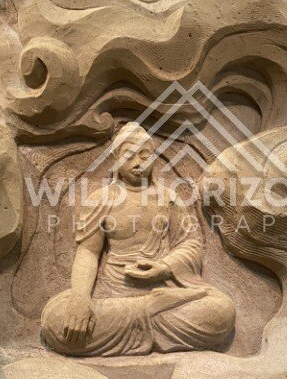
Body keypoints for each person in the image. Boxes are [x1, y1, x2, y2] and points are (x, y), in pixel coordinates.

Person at [41, 123, 236, 356]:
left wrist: (164, 267)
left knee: (221, 311)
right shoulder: (101, 199)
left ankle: (143, 321)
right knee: (56, 319)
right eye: (129, 156)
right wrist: (81, 300)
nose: (138, 163)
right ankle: (150, 318)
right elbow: (89, 253)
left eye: (145, 155)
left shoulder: (168, 198)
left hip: (165, 291)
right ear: (115, 159)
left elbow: (192, 243)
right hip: (112, 294)